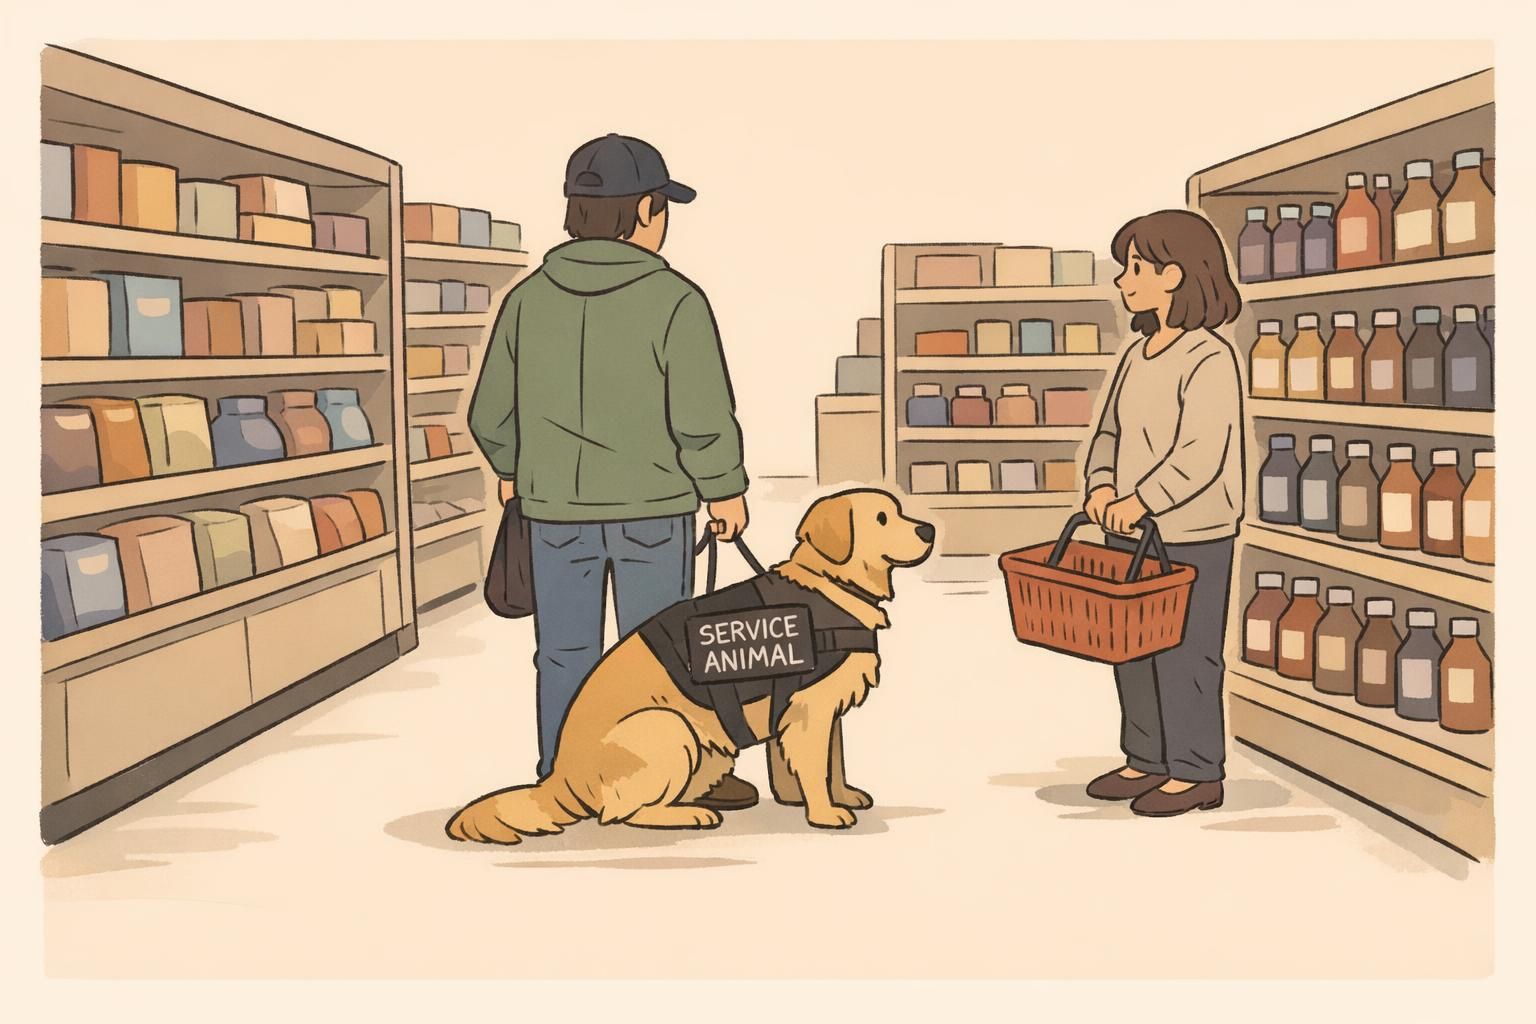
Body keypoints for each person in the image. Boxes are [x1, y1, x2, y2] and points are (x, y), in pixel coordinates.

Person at [468, 133, 756, 810]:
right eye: (663, 207)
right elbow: (701, 415)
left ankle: (563, 776)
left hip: (554, 513)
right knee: (656, 654)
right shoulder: (676, 300)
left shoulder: (527, 300)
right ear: (647, 210)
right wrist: (724, 490)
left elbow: (489, 412)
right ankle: (672, 777)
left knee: (563, 652)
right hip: (654, 509)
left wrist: (513, 468)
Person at [1080, 209, 1245, 817]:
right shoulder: (1137, 353)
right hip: (1127, 529)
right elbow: (1108, 432)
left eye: (1135, 267)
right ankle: (1146, 758)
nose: (1123, 280)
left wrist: (1139, 501)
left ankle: (1197, 771)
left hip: (1193, 533)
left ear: (1173, 275)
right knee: (1132, 649)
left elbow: (1201, 453)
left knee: (1187, 653)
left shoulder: (1209, 357)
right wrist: (1100, 487)